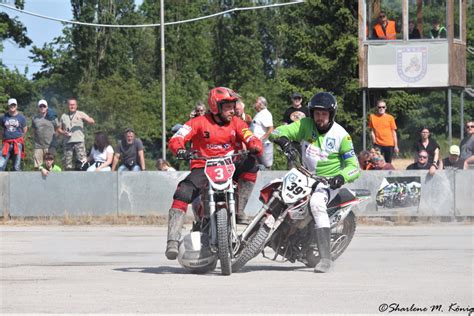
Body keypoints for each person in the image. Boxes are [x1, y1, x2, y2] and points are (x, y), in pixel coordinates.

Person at [165, 87, 262, 260]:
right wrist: (179, 149)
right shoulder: (198, 122)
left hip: (229, 165)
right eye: (227, 107)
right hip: (203, 166)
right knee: (182, 191)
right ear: (215, 106)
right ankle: (172, 240)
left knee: (252, 164)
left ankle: (239, 210)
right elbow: (177, 138)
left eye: (233, 106)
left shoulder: (237, 123)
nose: (232, 110)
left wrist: (255, 144)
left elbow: (249, 136)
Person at [270, 92, 360, 273]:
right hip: (303, 174)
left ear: (331, 114)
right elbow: (277, 131)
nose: (320, 117)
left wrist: (341, 177)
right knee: (277, 189)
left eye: (324, 114)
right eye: (317, 113)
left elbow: (354, 166)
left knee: (317, 204)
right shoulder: (305, 125)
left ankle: (325, 258)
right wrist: (283, 141)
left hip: (327, 183)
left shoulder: (342, 136)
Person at [59, 98, 95, 170]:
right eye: (70, 105)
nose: (72, 106)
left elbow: (92, 121)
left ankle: (83, 176)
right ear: (68, 106)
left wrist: (83, 118)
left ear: (76, 105)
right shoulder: (64, 116)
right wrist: (63, 132)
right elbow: (59, 129)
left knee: (82, 161)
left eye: (73, 105)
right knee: (67, 163)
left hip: (79, 141)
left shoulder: (80, 113)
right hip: (68, 142)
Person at [0, 98, 28, 171]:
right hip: (6, 143)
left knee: (16, 166)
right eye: (11, 105)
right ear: (8, 106)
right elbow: (2, 129)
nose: (12, 106)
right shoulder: (3, 117)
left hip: (17, 143)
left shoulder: (21, 117)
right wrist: (2, 138)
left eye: (14, 105)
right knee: (1, 165)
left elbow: (25, 129)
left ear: (16, 106)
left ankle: (18, 182)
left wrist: (21, 138)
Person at [31, 99, 59, 169]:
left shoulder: (53, 118)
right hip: (38, 146)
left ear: (47, 107)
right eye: (40, 106)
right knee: (37, 166)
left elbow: (58, 129)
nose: (42, 107)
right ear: (38, 107)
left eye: (44, 106)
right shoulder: (35, 118)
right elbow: (33, 130)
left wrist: (54, 141)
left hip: (49, 145)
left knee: (50, 166)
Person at [251, 96, 274, 170]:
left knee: (265, 167)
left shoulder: (265, 114)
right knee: (258, 166)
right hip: (258, 145)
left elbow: (270, 129)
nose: (254, 104)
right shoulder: (259, 114)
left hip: (264, 145)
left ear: (261, 104)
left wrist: (261, 139)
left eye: (256, 102)